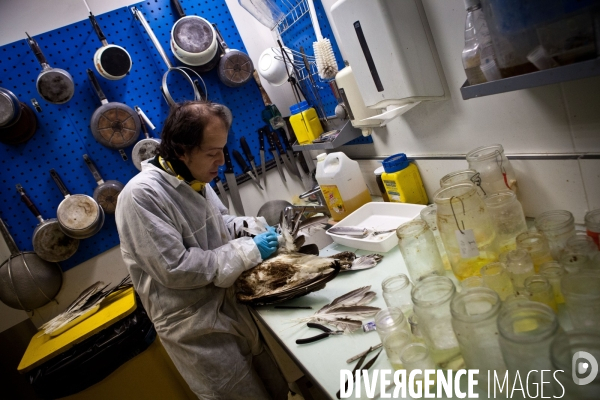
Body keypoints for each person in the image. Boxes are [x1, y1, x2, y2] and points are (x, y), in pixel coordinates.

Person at [115, 101, 288, 399]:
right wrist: (248, 252)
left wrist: (254, 228)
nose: (221, 160)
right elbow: (176, 268)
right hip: (196, 328)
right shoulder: (141, 196)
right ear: (182, 150)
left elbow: (219, 223)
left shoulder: (192, 177)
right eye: (212, 153)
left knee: (276, 389)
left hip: (231, 306)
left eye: (222, 149)